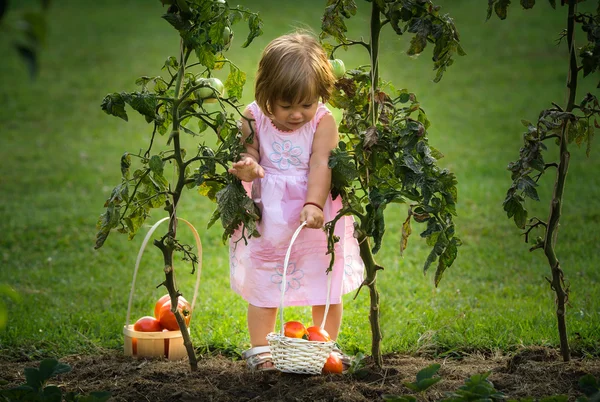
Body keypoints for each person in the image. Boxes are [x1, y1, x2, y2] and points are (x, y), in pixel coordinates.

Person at [227, 31, 364, 371]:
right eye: (286, 106)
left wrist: (315, 203)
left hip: (312, 216)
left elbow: (321, 163)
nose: (297, 114)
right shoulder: (252, 116)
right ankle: (262, 350)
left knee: (325, 281)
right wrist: (248, 167)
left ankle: (323, 346)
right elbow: (250, 152)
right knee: (265, 280)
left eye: (306, 103)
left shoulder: (324, 120)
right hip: (270, 217)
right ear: (265, 95)